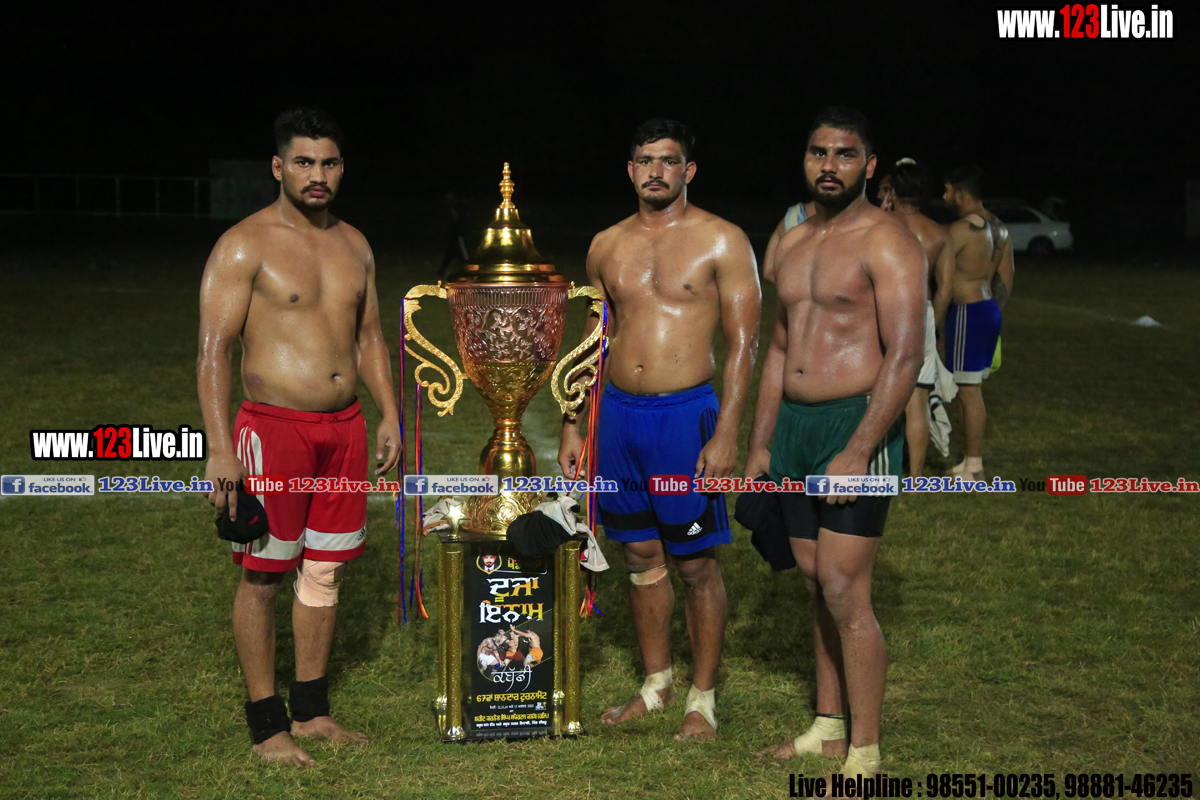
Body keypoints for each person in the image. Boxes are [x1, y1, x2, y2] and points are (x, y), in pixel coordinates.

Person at [197, 108, 401, 766]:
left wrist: (389, 413)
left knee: (324, 570)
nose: (318, 174)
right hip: (273, 429)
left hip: (343, 429)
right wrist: (220, 449)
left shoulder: (356, 245)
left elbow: (369, 337)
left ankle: (311, 713)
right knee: (264, 576)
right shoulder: (243, 244)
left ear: (342, 168)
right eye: (304, 162)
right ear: (278, 167)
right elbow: (213, 351)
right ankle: (267, 728)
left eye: (329, 162)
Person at [557, 118, 761, 742]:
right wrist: (572, 422)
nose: (655, 171)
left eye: (668, 161)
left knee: (695, 562)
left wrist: (726, 433)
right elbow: (592, 340)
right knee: (640, 555)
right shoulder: (606, 245)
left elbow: (744, 345)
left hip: (684, 417)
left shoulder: (722, 240)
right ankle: (656, 683)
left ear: (688, 170)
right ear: (630, 169)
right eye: (645, 160)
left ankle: (703, 698)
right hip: (618, 416)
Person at [745, 107, 925, 776]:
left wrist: (859, 448)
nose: (829, 165)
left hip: (854, 425)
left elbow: (906, 353)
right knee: (816, 583)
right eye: (818, 152)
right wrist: (761, 444)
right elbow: (779, 349)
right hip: (794, 428)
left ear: (869, 165)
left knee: (846, 591)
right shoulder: (792, 242)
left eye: (845, 154)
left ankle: (864, 753)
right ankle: (826, 726)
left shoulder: (888, 240)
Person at [942, 164, 1014, 480]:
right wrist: (992, 314)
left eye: (947, 190)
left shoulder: (960, 230)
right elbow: (1006, 276)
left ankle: (973, 466)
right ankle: (970, 462)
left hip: (967, 313)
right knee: (969, 388)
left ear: (961, 194)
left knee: (968, 392)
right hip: (987, 310)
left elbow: (933, 269)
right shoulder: (999, 228)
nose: (944, 196)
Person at [884, 160, 955, 477]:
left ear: (894, 190)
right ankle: (914, 478)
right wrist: (933, 325)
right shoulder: (939, 233)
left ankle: (880, 470)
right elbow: (945, 289)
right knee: (918, 401)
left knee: (877, 393)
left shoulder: (881, 226)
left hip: (885, 310)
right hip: (921, 311)